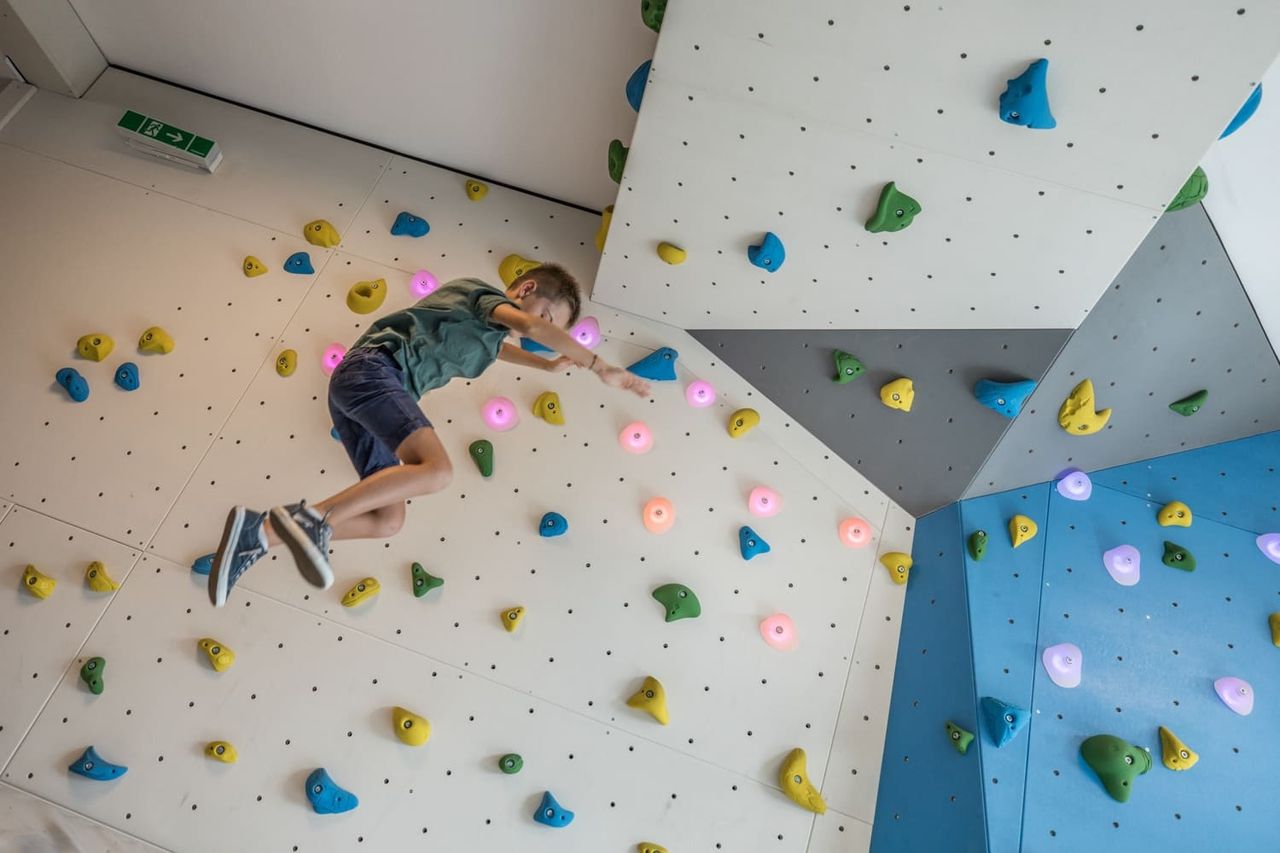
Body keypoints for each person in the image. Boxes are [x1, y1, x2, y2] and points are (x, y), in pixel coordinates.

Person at [208, 263, 650, 606]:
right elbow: (532, 328)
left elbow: (501, 350)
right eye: (549, 317)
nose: (543, 330)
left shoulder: (489, 337)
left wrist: (548, 366)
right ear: (526, 290)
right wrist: (599, 366)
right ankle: (313, 520)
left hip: (361, 395)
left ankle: (259, 534)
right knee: (437, 470)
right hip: (374, 371)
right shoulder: (480, 295)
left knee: (388, 520)